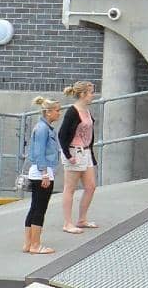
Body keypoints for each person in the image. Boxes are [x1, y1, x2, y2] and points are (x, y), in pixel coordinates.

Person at [58, 81, 99, 234]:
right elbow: (62, 135)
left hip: (86, 151)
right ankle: (67, 223)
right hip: (74, 151)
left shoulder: (87, 111)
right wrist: (68, 155)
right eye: (91, 93)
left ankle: (82, 219)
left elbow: (90, 133)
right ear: (83, 95)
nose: (92, 95)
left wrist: (91, 155)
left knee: (91, 186)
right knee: (70, 188)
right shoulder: (72, 112)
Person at [23, 97, 62, 254]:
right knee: (39, 209)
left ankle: (28, 243)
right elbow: (39, 153)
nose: (59, 113)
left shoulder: (42, 128)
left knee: (34, 208)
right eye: (57, 110)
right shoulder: (43, 129)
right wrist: (45, 173)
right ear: (48, 112)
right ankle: (35, 245)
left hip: (40, 171)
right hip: (42, 173)